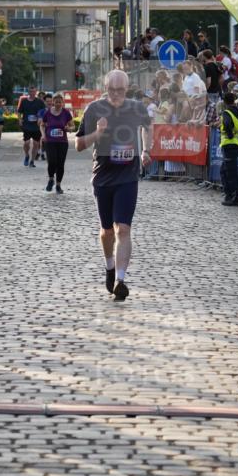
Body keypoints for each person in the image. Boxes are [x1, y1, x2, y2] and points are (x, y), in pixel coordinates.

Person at [75, 70, 152, 302]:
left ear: (127, 89)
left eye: (120, 90)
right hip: (103, 177)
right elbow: (79, 144)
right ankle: (109, 266)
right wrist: (97, 134)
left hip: (128, 177)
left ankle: (120, 279)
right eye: (112, 89)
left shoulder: (137, 108)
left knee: (123, 229)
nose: (116, 94)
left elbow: (148, 127)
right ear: (105, 87)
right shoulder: (94, 109)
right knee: (107, 231)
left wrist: (146, 149)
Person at [39, 93, 74, 193]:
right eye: (56, 102)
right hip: (50, 141)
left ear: (62, 102)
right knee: (52, 161)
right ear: (53, 102)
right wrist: (43, 135)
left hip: (62, 142)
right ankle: (51, 179)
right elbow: (42, 125)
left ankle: (58, 185)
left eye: (60, 102)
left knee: (60, 164)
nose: (58, 104)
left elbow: (73, 126)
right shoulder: (48, 113)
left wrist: (69, 128)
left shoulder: (66, 113)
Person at [18, 85, 43, 167]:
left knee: (36, 144)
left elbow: (44, 112)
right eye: (30, 91)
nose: (32, 93)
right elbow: (19, 112)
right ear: (28, 92)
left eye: (34, 91)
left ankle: (32, 161)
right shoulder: (24, 101)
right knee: (26, 143)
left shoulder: (39, 102)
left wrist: (41, 118)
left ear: (36, 92)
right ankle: (26, 155)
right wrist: (20, 119)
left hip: (36, 126)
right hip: (27, 125)